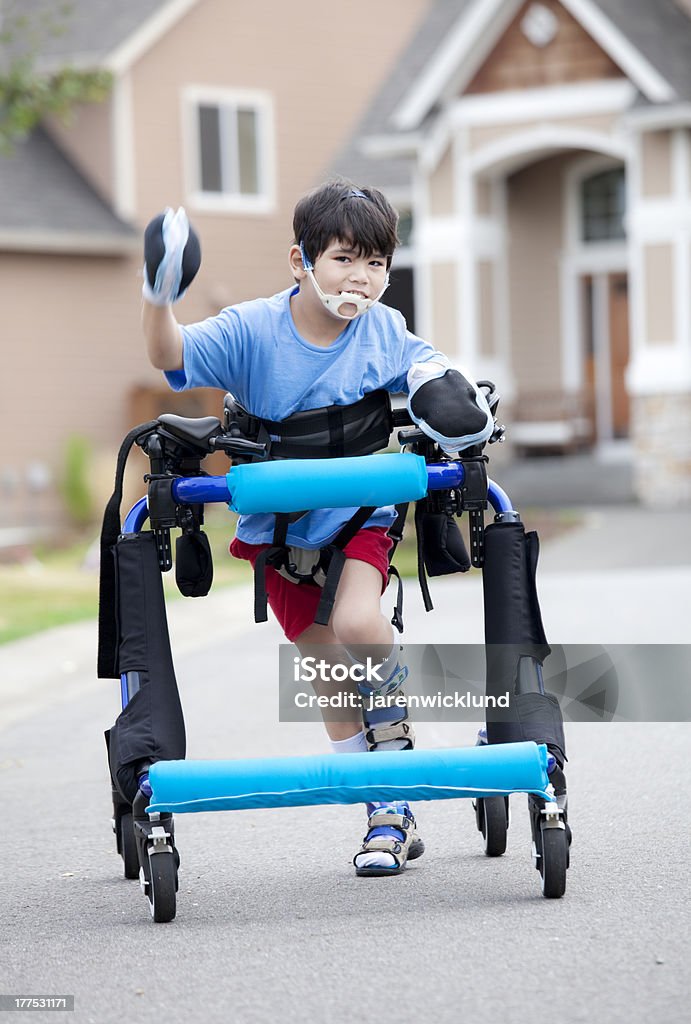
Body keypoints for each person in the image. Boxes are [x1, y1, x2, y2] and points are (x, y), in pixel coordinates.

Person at [141, 180, 493, 876]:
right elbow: (170, 357)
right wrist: (158, 297)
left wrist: (450, 399)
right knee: (328, 674)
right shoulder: (250, 331)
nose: (360, 278)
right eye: (343, 259)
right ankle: (373, 803)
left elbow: (434, 374)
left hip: (361, 512)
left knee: (360, 623)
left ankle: (393, 803)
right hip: (279, 528)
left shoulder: (385, 330)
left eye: (376, 263)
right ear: (299, 262)